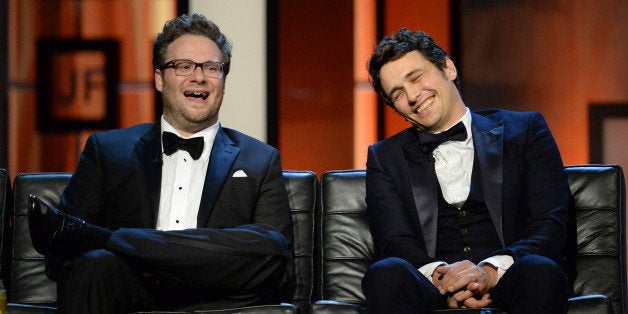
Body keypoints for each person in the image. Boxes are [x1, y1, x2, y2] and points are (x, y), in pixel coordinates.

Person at [28, 13, 295, 313]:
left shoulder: (259, 159)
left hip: (215, 298)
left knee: (270, 247)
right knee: (92, 263)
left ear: (223, 80)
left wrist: (115, 243)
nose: (199, 76)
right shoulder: (107, 151)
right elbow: (60, 256)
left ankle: (108, 238)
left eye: (212, 67)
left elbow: (279, 268)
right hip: (130, 290)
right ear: (159, 79)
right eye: (184, 66)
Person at [361, 28, 571, 314]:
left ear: (447, 67)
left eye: (416, 77)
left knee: (540, 271)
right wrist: (445, 280)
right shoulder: (384, 157)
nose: (412, 95)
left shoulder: (526, 131)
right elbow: (393, 240)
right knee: (385, 274)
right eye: (397, 93)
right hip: (432, 287)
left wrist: (488, 272)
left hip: (510, 277)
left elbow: (549, 223)